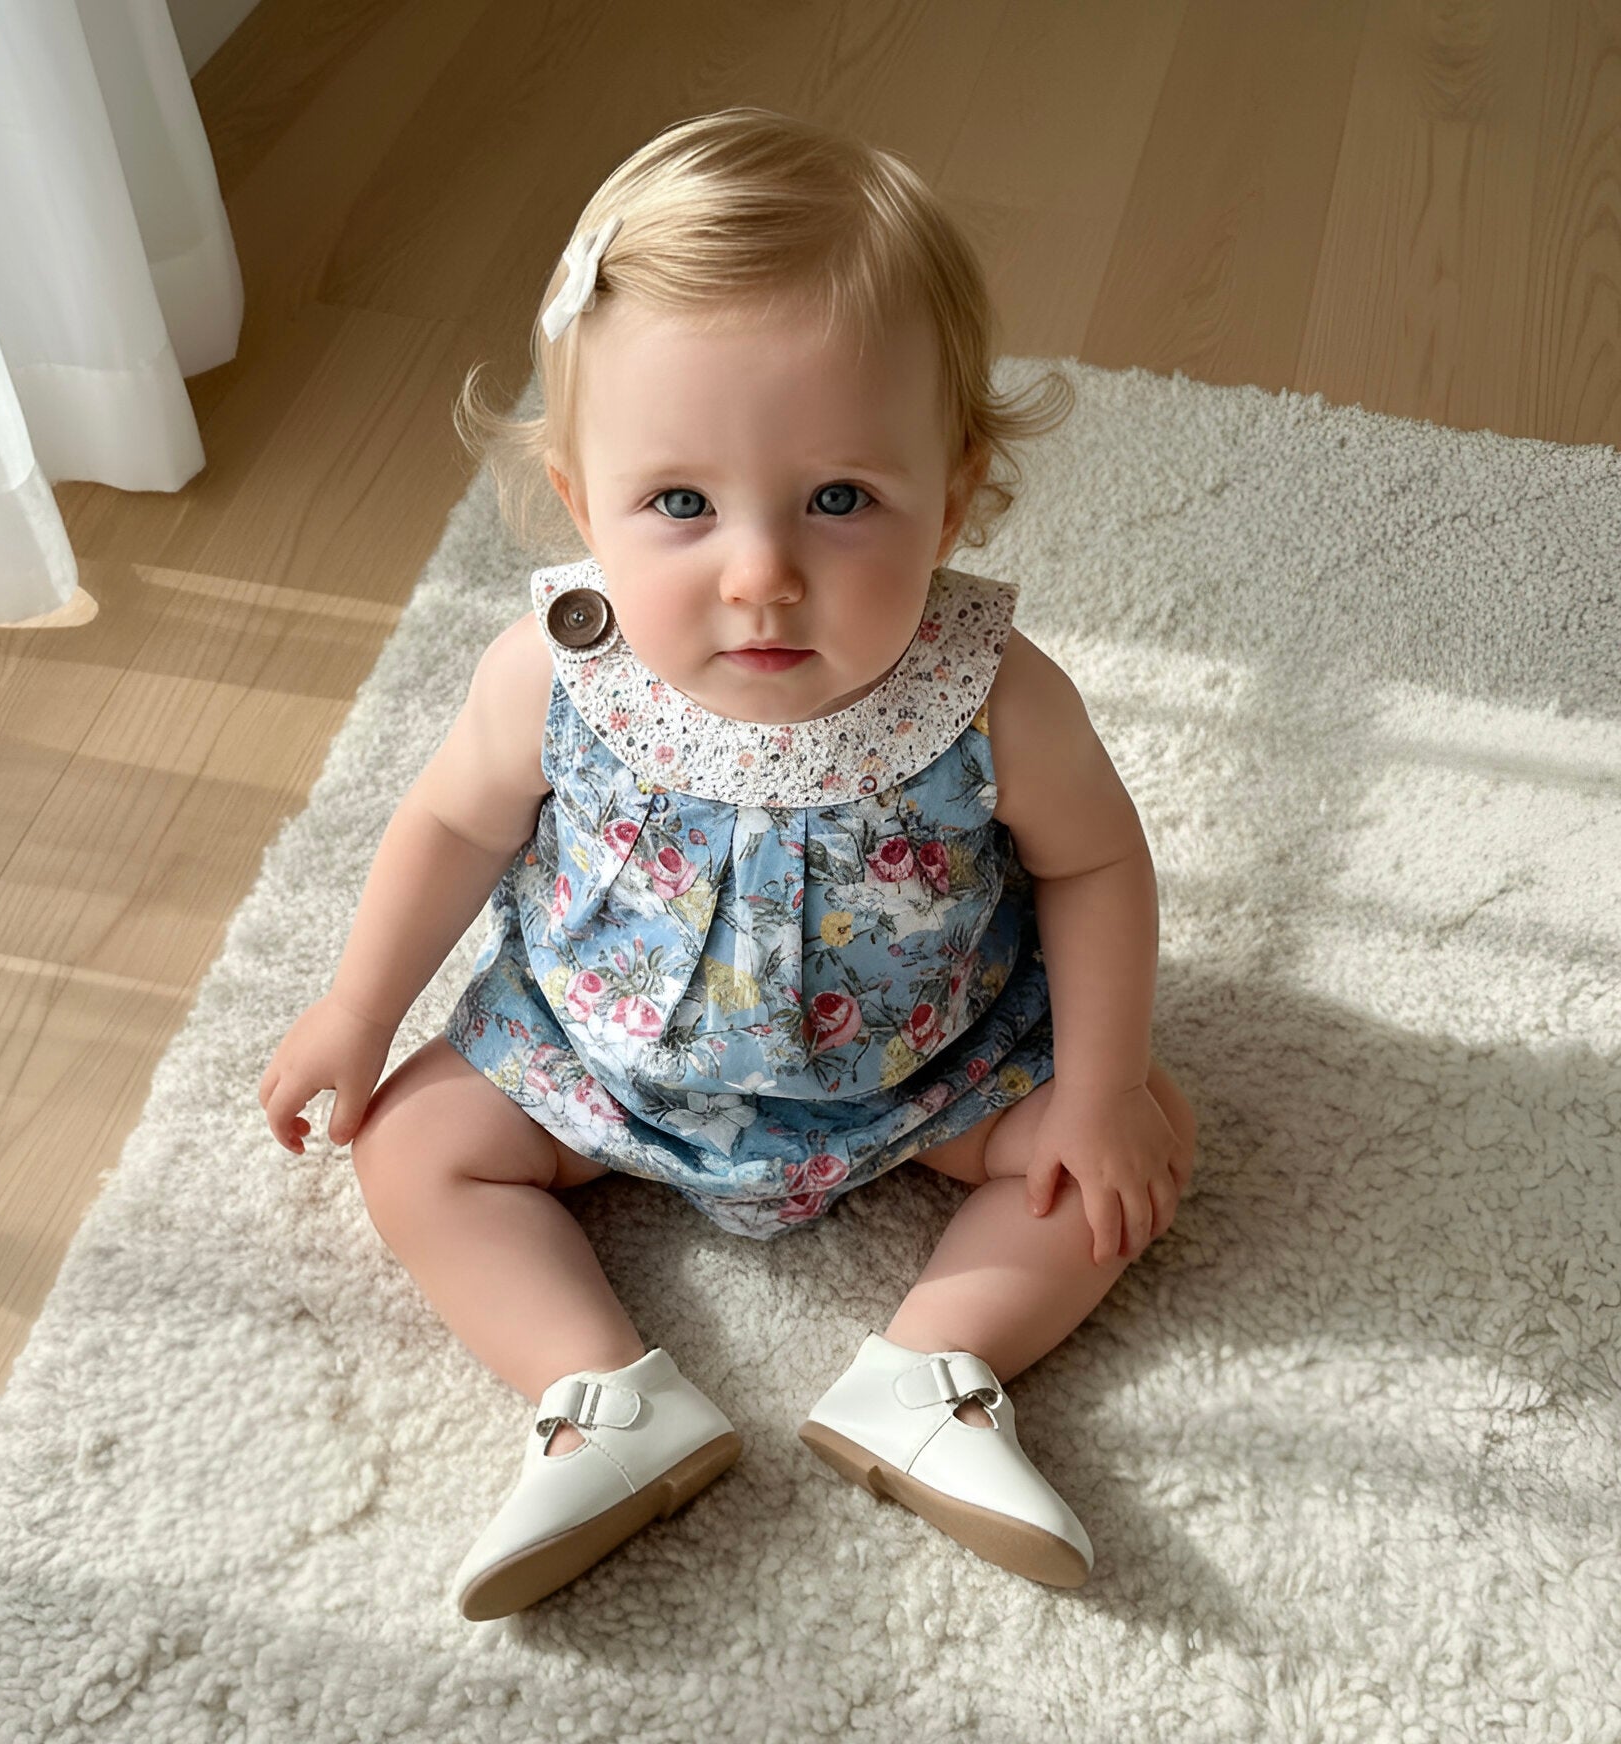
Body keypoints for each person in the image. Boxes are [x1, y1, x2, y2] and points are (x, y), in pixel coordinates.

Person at [257, 106, 1196, 1623]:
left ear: (951, 497)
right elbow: (453, 825)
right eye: (681, 505)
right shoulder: (557, 673)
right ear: (583, 502)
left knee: (1135, 1133)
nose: (762, 574)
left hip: (926, 1070)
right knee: (414, 1149)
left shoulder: (993, 695)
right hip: (595, 1061)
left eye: (841, 500)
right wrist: (358, 1013)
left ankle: (931, 1376)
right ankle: (598, 1403)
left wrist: (1093, 1086)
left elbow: (1096, 869)